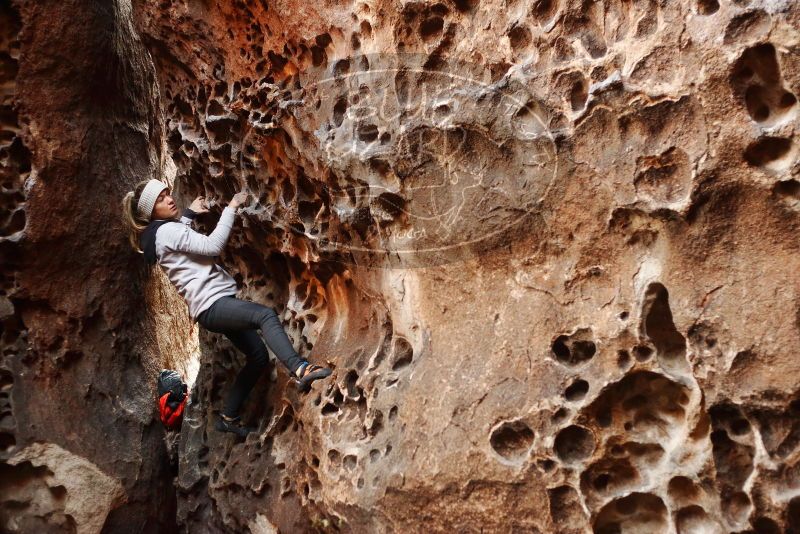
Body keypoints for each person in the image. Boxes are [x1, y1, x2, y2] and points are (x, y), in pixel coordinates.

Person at [121, 179, 331, 437]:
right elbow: (211, 247)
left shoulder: (160, 233)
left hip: (209, 308)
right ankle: (301, 369)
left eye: (167, 193)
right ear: (152, 212)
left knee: (258, 357)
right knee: (264, 315)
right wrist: (231, 206)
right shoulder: (167, 232)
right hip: (214, 304)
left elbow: (179, 243)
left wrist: (188, 214)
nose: (169, 198)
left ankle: (228, 417)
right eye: (161, 199)